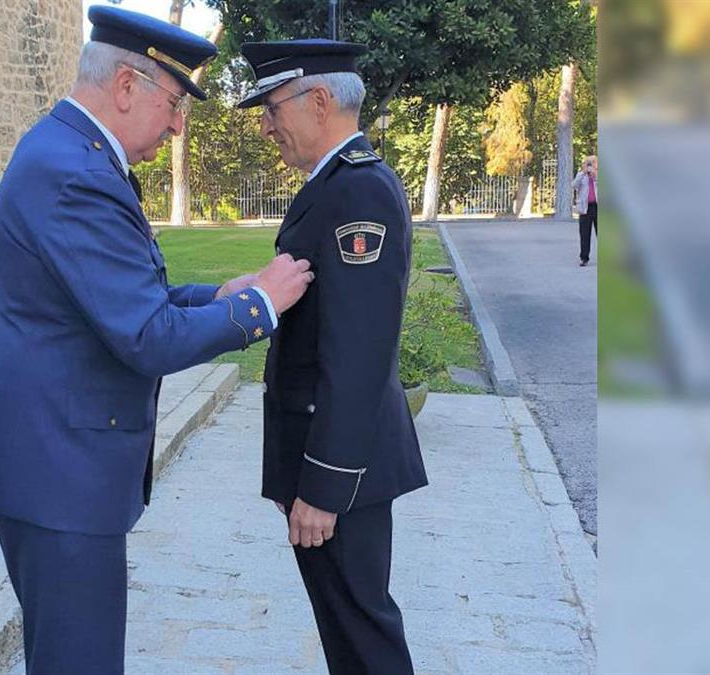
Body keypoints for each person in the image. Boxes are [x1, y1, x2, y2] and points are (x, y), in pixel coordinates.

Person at [0, 7, 313, 673]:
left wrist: (217, 297)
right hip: (58, 468)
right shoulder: (76, 174)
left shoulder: (71, 154)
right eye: (174, 102)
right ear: (125, 86)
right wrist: (260, 307)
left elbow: (118, 301)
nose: (178, 124)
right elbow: (146, 335)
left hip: (52, 459)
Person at [237, 39, 429, 674]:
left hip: (341, 470)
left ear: (318, 101)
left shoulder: (358, 192)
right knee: (349, 631)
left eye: (270, 108)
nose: (265, 125)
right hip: (331, 459)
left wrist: (324, 486)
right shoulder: (334, 185)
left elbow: (359, 351)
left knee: (363, 635)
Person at [572, 155, 598, 266]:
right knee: (584, 234)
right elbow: (574, 185)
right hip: (585, 208)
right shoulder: (581, 175)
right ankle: (584, 258)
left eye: (592, 162)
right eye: (588, 162)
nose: (590, 164)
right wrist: (583, 173)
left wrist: (595, 176)